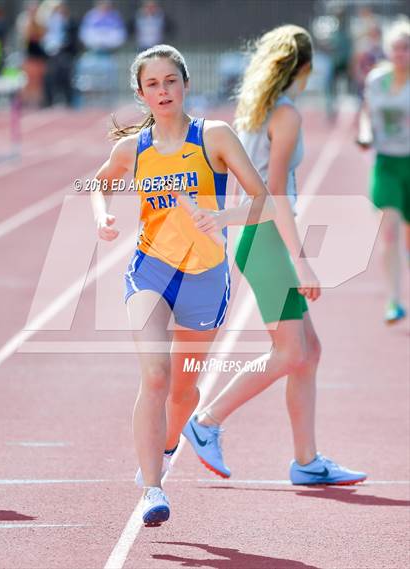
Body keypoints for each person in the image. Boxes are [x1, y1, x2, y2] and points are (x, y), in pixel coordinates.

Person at [90, 44, 274, 526]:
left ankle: (171, 442)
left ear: (186, 84)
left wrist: (221, 216)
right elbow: (100, 181)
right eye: (152, 84)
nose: (163, 90)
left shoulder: (213, 136)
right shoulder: (132, 149)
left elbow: (264, 202)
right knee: (154, 375)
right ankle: (152, 488)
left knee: (183, 391)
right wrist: (102, 214)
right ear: (140, 93)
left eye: (170, 80)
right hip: (151, 270)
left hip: (205, 276)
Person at [182, 25, 367, 486]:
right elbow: (275, 194)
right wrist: (301, 259)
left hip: (257, 235)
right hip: (265, 237)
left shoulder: (255, 108)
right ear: (302, 69)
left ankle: (306, 461)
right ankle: (206, 421)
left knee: (309, 352)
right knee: (289, 352)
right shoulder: (283, 115)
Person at [357, 20, 410, 324]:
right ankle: (394, 300)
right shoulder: (376, 80)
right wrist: (365, 135)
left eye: (407, 48)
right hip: (387, 164)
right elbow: (367, 115)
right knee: (388, 232)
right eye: (397, 48)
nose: (401, 54)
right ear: (388, 51)